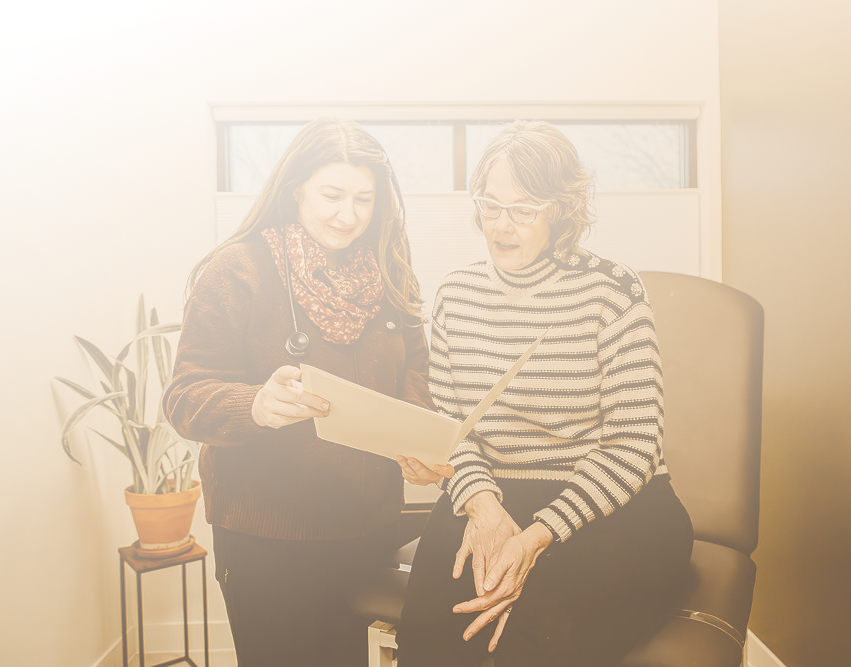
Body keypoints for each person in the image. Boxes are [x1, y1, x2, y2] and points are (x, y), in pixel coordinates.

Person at [394, 120, 694, 667]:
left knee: (537, 635)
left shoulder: (613, 291)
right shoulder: (456, 295)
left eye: (524, 210)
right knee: (433, 641)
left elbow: (634, 445)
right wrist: (483, 506)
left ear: (561, 210)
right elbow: (451, 429)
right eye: (490, 206)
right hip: (492, 492)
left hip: (612, 501)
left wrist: (536, 537)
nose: (501, 226)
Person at [163, 117, 433, 666]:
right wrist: (255, 405)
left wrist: (421, 437)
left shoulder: (389, 272)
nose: (348, 214)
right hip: (266, 540)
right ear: (295, 190)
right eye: (332, 195)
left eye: (363, 199)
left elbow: (417, 375)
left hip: (368, 530)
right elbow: (185, 397)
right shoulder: (237, 270)